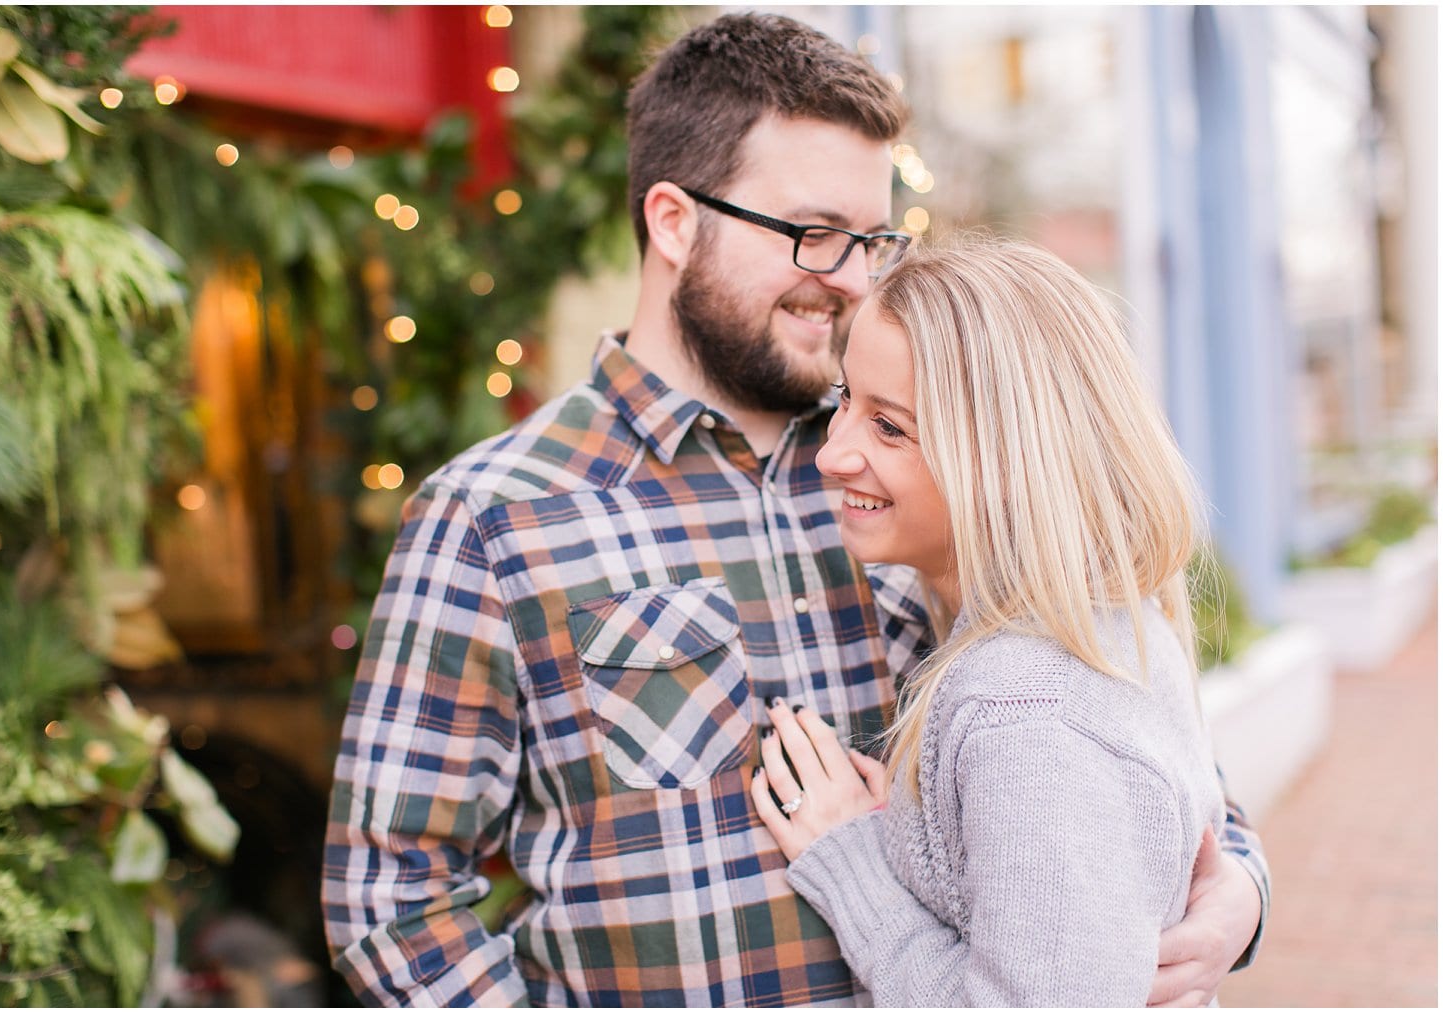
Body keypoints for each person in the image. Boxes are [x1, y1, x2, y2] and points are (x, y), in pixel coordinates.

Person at [322, 13, 1268, 1007]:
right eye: (815, 236)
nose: (855, 279)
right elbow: (391, 897)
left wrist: (1234, 903)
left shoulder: (934, 467)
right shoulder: (495, 517)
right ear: (674, 222)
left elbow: (1154, 768)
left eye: (871, 239)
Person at [749, 235, 1244, 1005]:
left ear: (1007, 460)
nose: (831, 453)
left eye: (890, 427)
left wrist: (851, 862)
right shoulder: (1104, 620)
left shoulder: (1024, 712)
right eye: (845, 398)